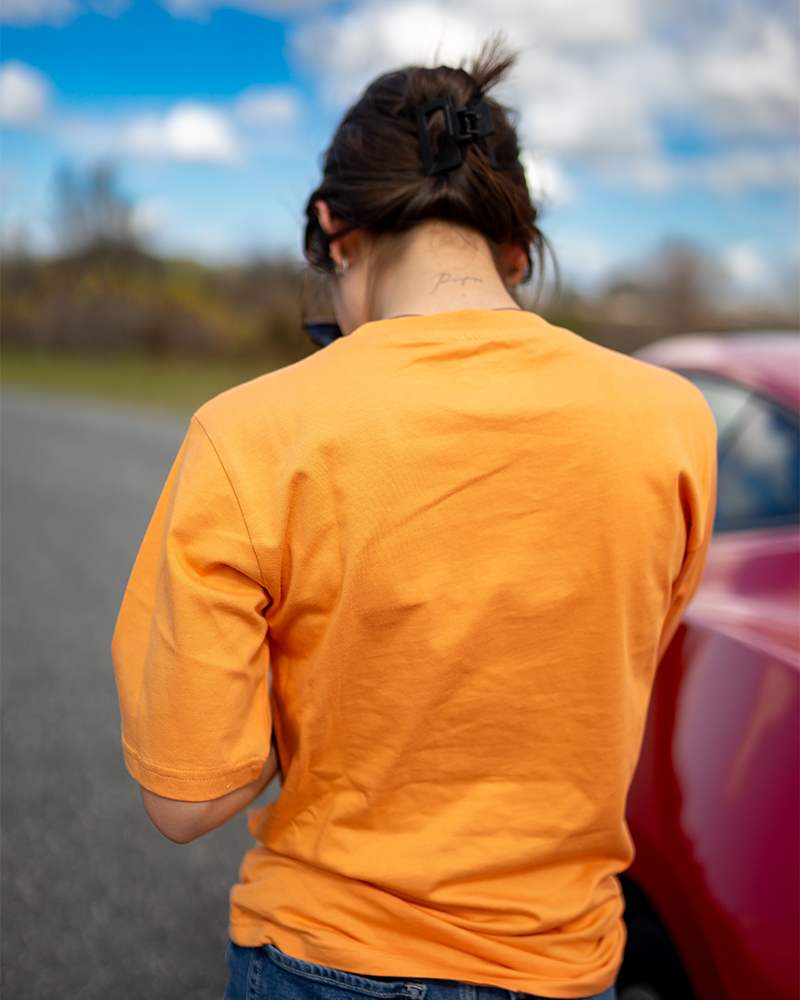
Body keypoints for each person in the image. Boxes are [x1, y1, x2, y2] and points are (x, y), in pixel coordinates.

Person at [112, 44, 716, 1000]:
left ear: (333, 230)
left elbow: (188, 798)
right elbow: (612, 660)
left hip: (324, 959)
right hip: (569, 963)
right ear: (516, 248)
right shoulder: (675, 421)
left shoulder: (246, 432)